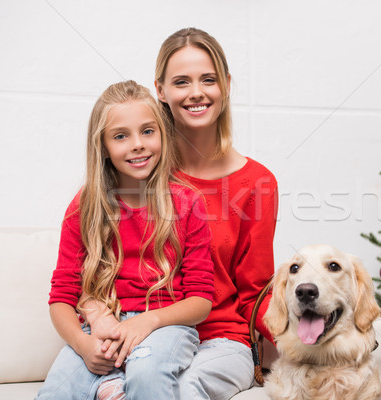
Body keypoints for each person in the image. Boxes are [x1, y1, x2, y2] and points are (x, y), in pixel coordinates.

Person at [88, 27, 279, 399]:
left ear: (225, 85)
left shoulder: (258, 183)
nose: (196, 92)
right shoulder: (136, 168)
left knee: (182, 386)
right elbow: (98, 268)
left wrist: (312, 342)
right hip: (142, 337)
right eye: (181, 82)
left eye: (208, 79)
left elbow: (255, 291)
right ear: (160, 90)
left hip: (220, 341)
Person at [35, 80, 215, 400]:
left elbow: (201, 301)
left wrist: (148, 321)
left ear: (162, 134)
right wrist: (82, 343)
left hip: (164, 327)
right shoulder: (84, 206)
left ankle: (118, 383)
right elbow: (61, 297)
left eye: (148, 131)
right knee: (55, 393)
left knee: (147, 376)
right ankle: (110, 385)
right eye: (121, 136)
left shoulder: (188, 203)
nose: (137, 144)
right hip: (100, 330)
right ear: (103, 146)